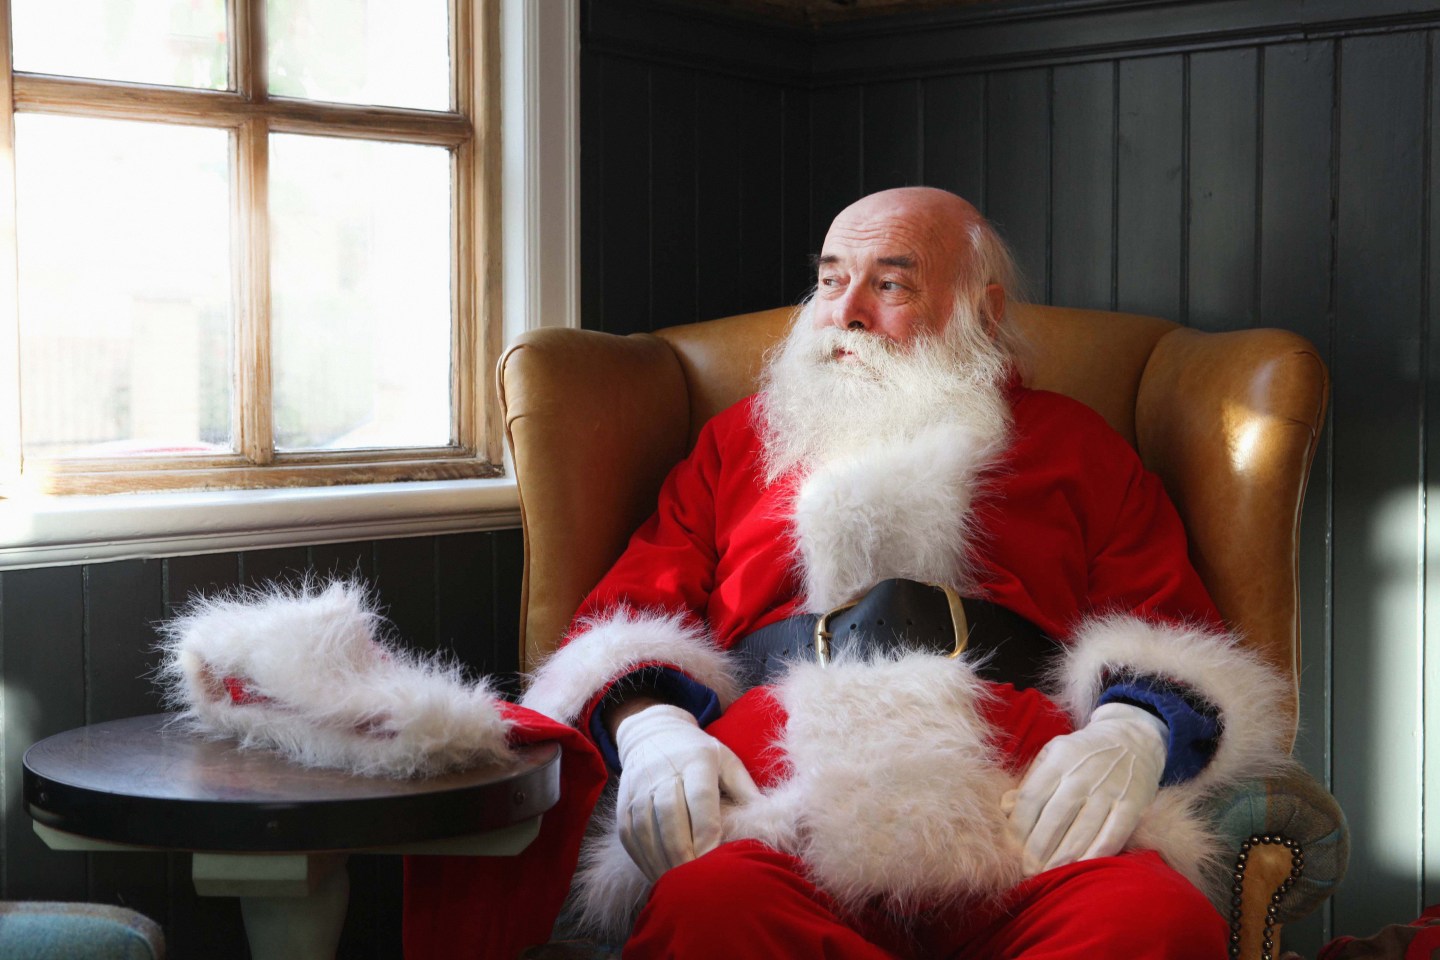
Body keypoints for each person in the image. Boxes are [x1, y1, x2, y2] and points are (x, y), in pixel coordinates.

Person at [520, 187, 1288, 958]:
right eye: (829, 280)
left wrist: (1134, 731)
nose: (846, 312)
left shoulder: (1076, 445)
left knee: (1155, 924)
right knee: (708, 913)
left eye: (889, 285)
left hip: (1022, 813)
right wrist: (651, 728)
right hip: (775, 807)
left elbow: (1170, 629)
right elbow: (625, 618)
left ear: (981, 312)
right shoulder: (735, 445)